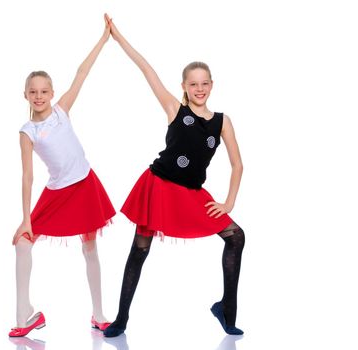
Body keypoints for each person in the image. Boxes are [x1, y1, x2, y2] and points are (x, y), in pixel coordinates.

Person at [103, 15, 245, 337]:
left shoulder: (222, 121)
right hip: (160, 186)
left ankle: (227, 310)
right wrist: (118, 36)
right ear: (184, 86)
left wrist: (228, 202)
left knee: (236, 236)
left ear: (212, 85)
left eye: (204, 83)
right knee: (140, 249)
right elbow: (146, 68)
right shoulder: (174, 109)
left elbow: (238, 164)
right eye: (193, 84)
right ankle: (121, 318)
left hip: (192, 193)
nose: (199, 89)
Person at [9, 15, 115, 337]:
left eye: (44, 91)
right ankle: (24, 315)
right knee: (23, 244)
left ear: (52, 92)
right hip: (57, 192)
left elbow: (82, 72)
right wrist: (26, 218)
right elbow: (27, 176)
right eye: (33, 92)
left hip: (84, 185)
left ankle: (98, 314)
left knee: (90, 247)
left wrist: (104, 38)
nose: (39, 96)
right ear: (25, 95)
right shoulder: (28, 131)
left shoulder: (61, 110)